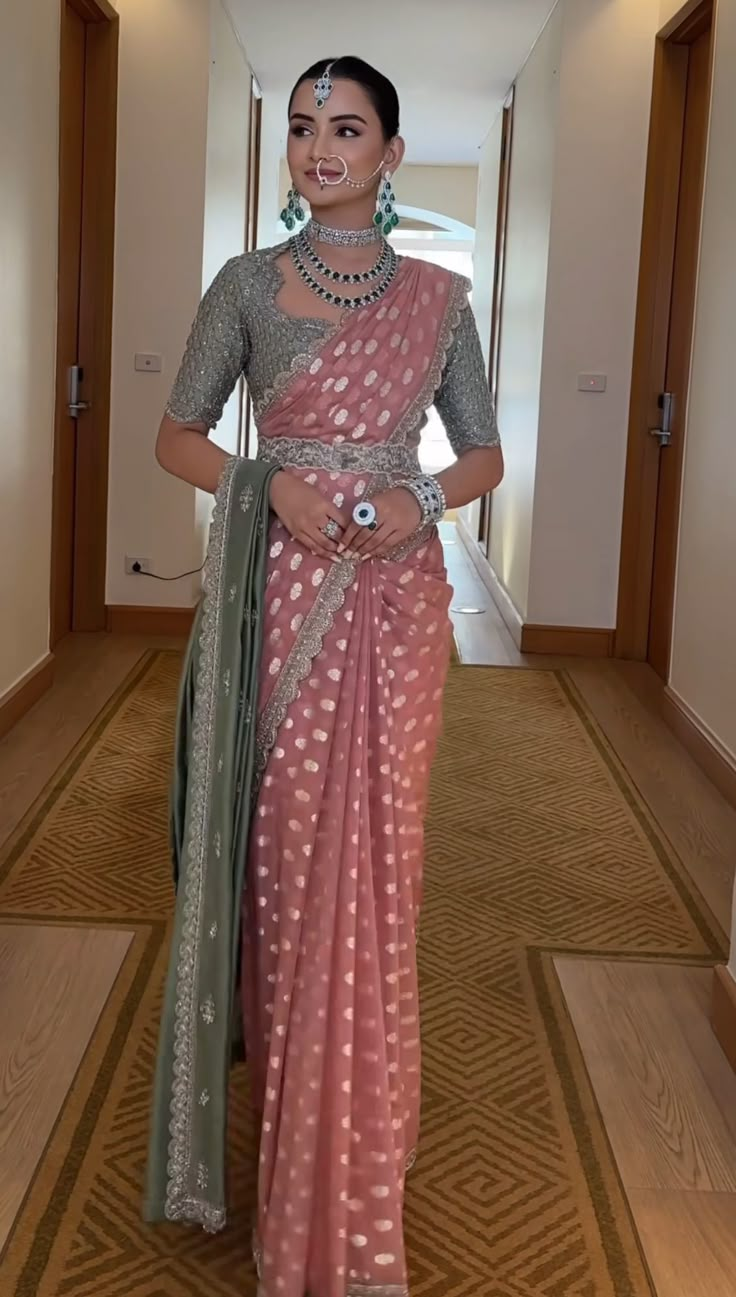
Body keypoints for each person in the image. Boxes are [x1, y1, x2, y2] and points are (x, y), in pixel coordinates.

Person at [146, 55, 503, 1297]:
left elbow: (482, 456)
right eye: (303, 127)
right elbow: (177, 435)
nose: (318, 147)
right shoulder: (246, 285)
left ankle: (358, 1147)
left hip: (394, 610)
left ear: (391, 155)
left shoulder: (440, 300)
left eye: (346, 128)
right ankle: (294, 1155)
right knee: (290, 867)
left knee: (377, 869)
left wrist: (416, 497)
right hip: (277, 597)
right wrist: (271, 482)